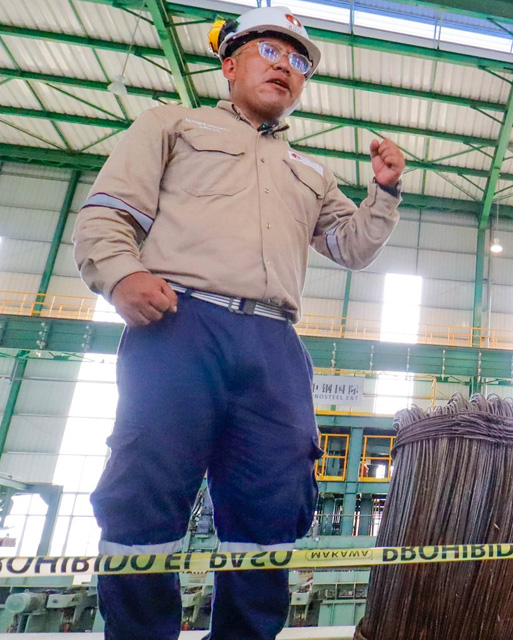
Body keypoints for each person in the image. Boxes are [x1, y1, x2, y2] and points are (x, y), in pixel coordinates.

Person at [71, 6, 405, 639]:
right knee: (146, 491)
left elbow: (350, 247)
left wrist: (383, 193)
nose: (287, 67)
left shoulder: (310, 171)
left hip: (273, 342)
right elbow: (107, 213)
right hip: (179, 326)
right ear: (230, 64)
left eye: (299, 60)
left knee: (274, 502)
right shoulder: (172, 125)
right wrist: (120, 275)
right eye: (271, 52)